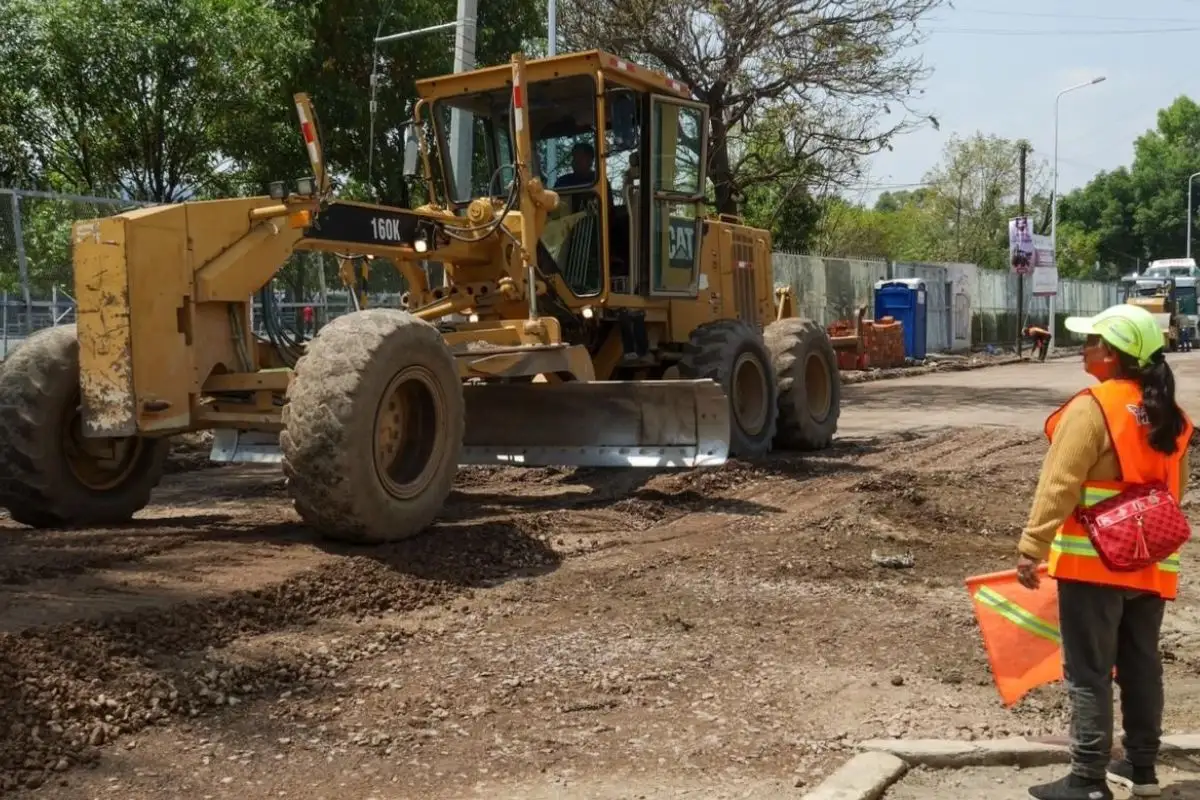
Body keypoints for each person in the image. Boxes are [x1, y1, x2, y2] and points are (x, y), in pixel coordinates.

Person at [1016, 304, 1192, 800]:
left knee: (1089, 672)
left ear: (1114, 355)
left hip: (1093, 568)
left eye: (1093, 340)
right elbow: (1173, 496)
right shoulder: (1172, 417)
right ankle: (1143, 768)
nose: (1085, 348)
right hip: (1150, 565)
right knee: (1141, 667)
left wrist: (1033, 546)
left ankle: (1088, 779)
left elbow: (1060, 485)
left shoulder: (1092, 408)